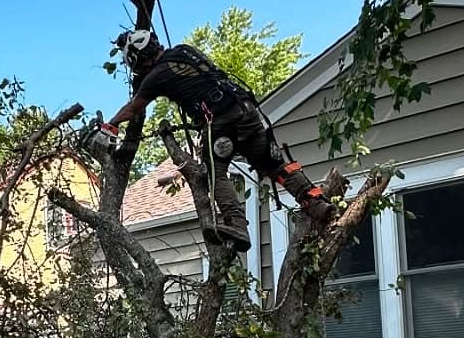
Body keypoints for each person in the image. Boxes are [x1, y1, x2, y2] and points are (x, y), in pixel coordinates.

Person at [85, 29, 336, 252]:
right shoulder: (184, 50)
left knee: (215, 170)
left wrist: (111, 125)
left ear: (137, 59)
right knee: (272, 164)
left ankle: (237, 223)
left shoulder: (156, 77)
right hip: (247, 111)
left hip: (221, 120)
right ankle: (314, 200)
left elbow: (135, 107)